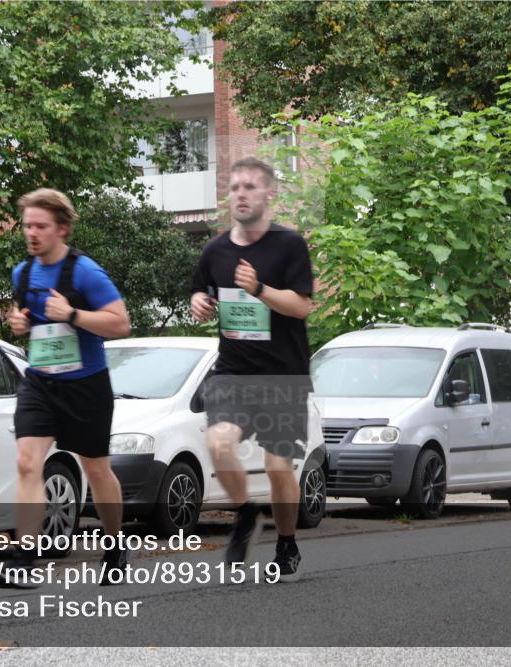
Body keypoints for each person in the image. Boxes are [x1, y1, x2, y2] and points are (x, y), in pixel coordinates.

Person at [0, 188, 131, 589]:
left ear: (62, 229)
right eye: (27, 226)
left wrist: (72, 313)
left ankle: (114, 544)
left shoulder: (85, 271)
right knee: (26, 461)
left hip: (86, 385)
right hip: (40, 382)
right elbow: (28, 320)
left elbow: (120, 324)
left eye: (40, 226)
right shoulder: (23, 273)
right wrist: (20, 324)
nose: (31, 233)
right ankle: (24, 559)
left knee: (96, 469)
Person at [190, 157, 314, 582]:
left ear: (269, 195)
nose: (239, 194)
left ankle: (286, 541)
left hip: (283, 375)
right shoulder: (216, 250)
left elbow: (301, 306)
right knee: (218, 443)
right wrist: (199, 304)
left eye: (249, 187)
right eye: (234, 187)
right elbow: (202, 295)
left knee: (279, 468)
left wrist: (259, 289)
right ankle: (245, 513)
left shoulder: (289, 245)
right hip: (233, 371)